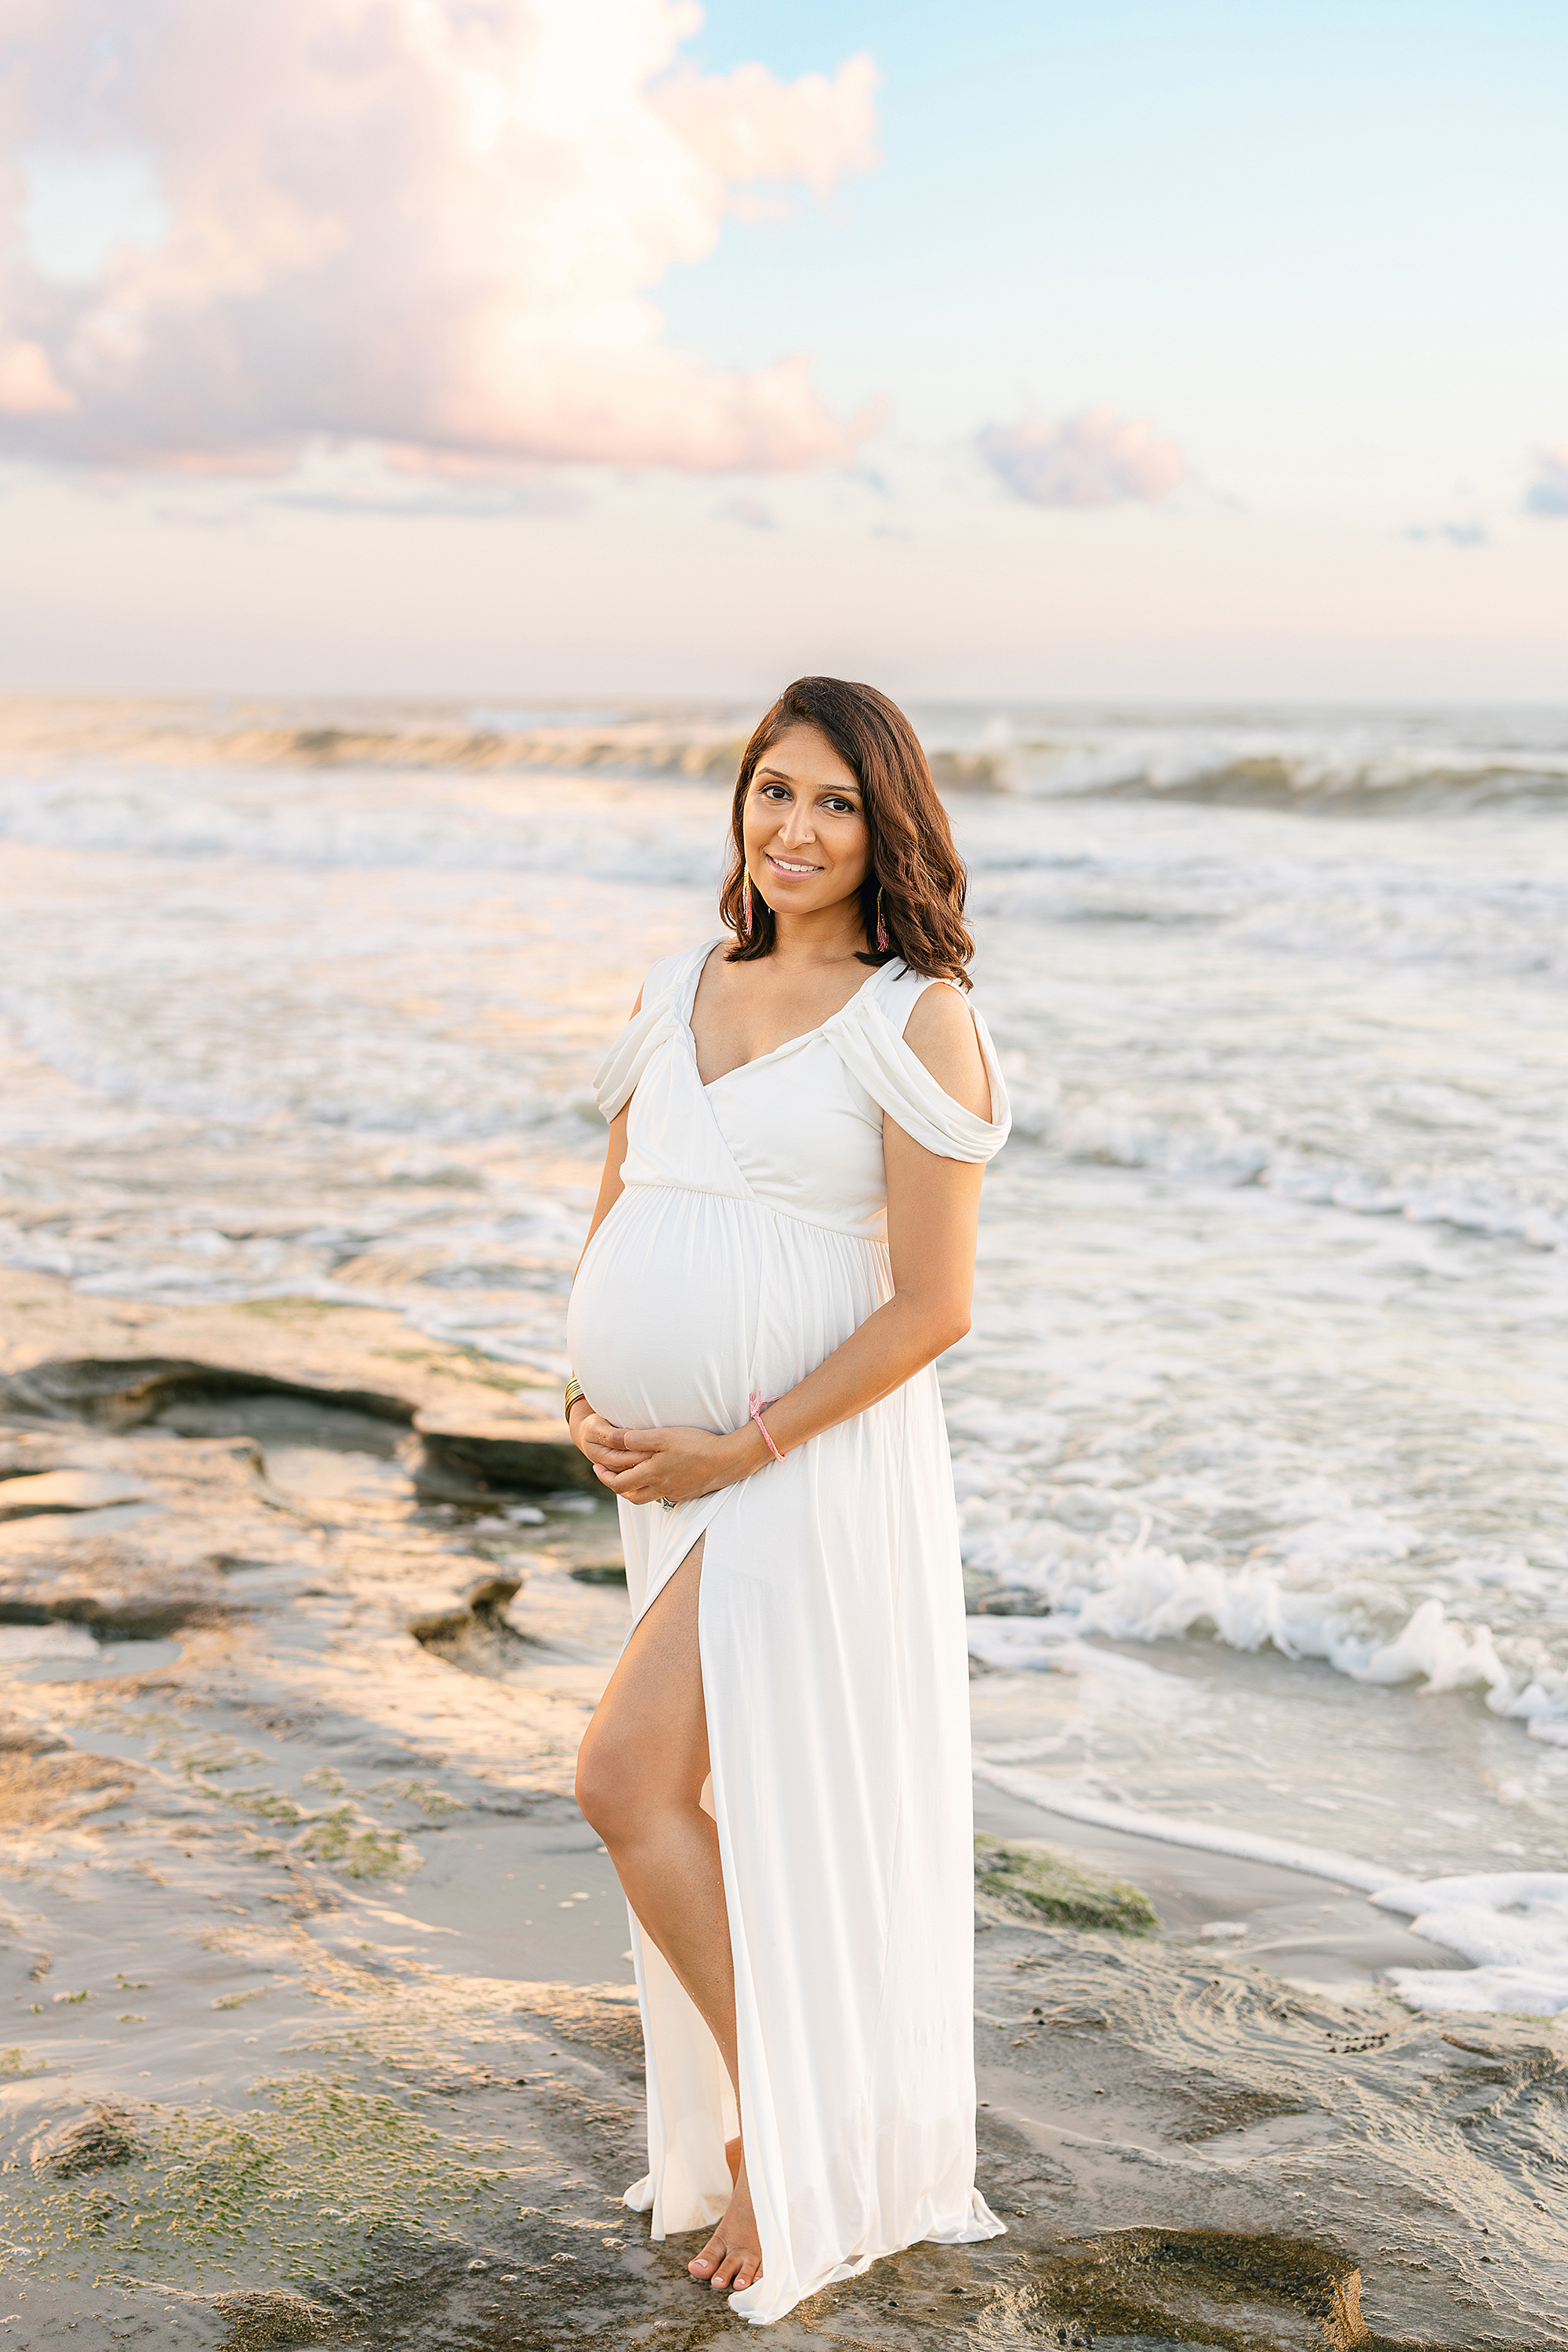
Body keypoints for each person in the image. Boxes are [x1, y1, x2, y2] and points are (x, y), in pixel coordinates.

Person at [566, 676, 1011, 2325]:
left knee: (624, 1780)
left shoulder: (918, 1015)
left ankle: (782, 2142)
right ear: (740, 805)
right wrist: (578, 1396)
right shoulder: (681, 980)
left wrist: (731, 1446)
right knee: (689, 1791)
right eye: (772, 791)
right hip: (666, 1471)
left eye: (833, 801)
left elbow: (931, 1309)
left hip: (800, 1464)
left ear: (887, 824)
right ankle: (789, 2117)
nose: (795, 828)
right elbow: (617, 1206)